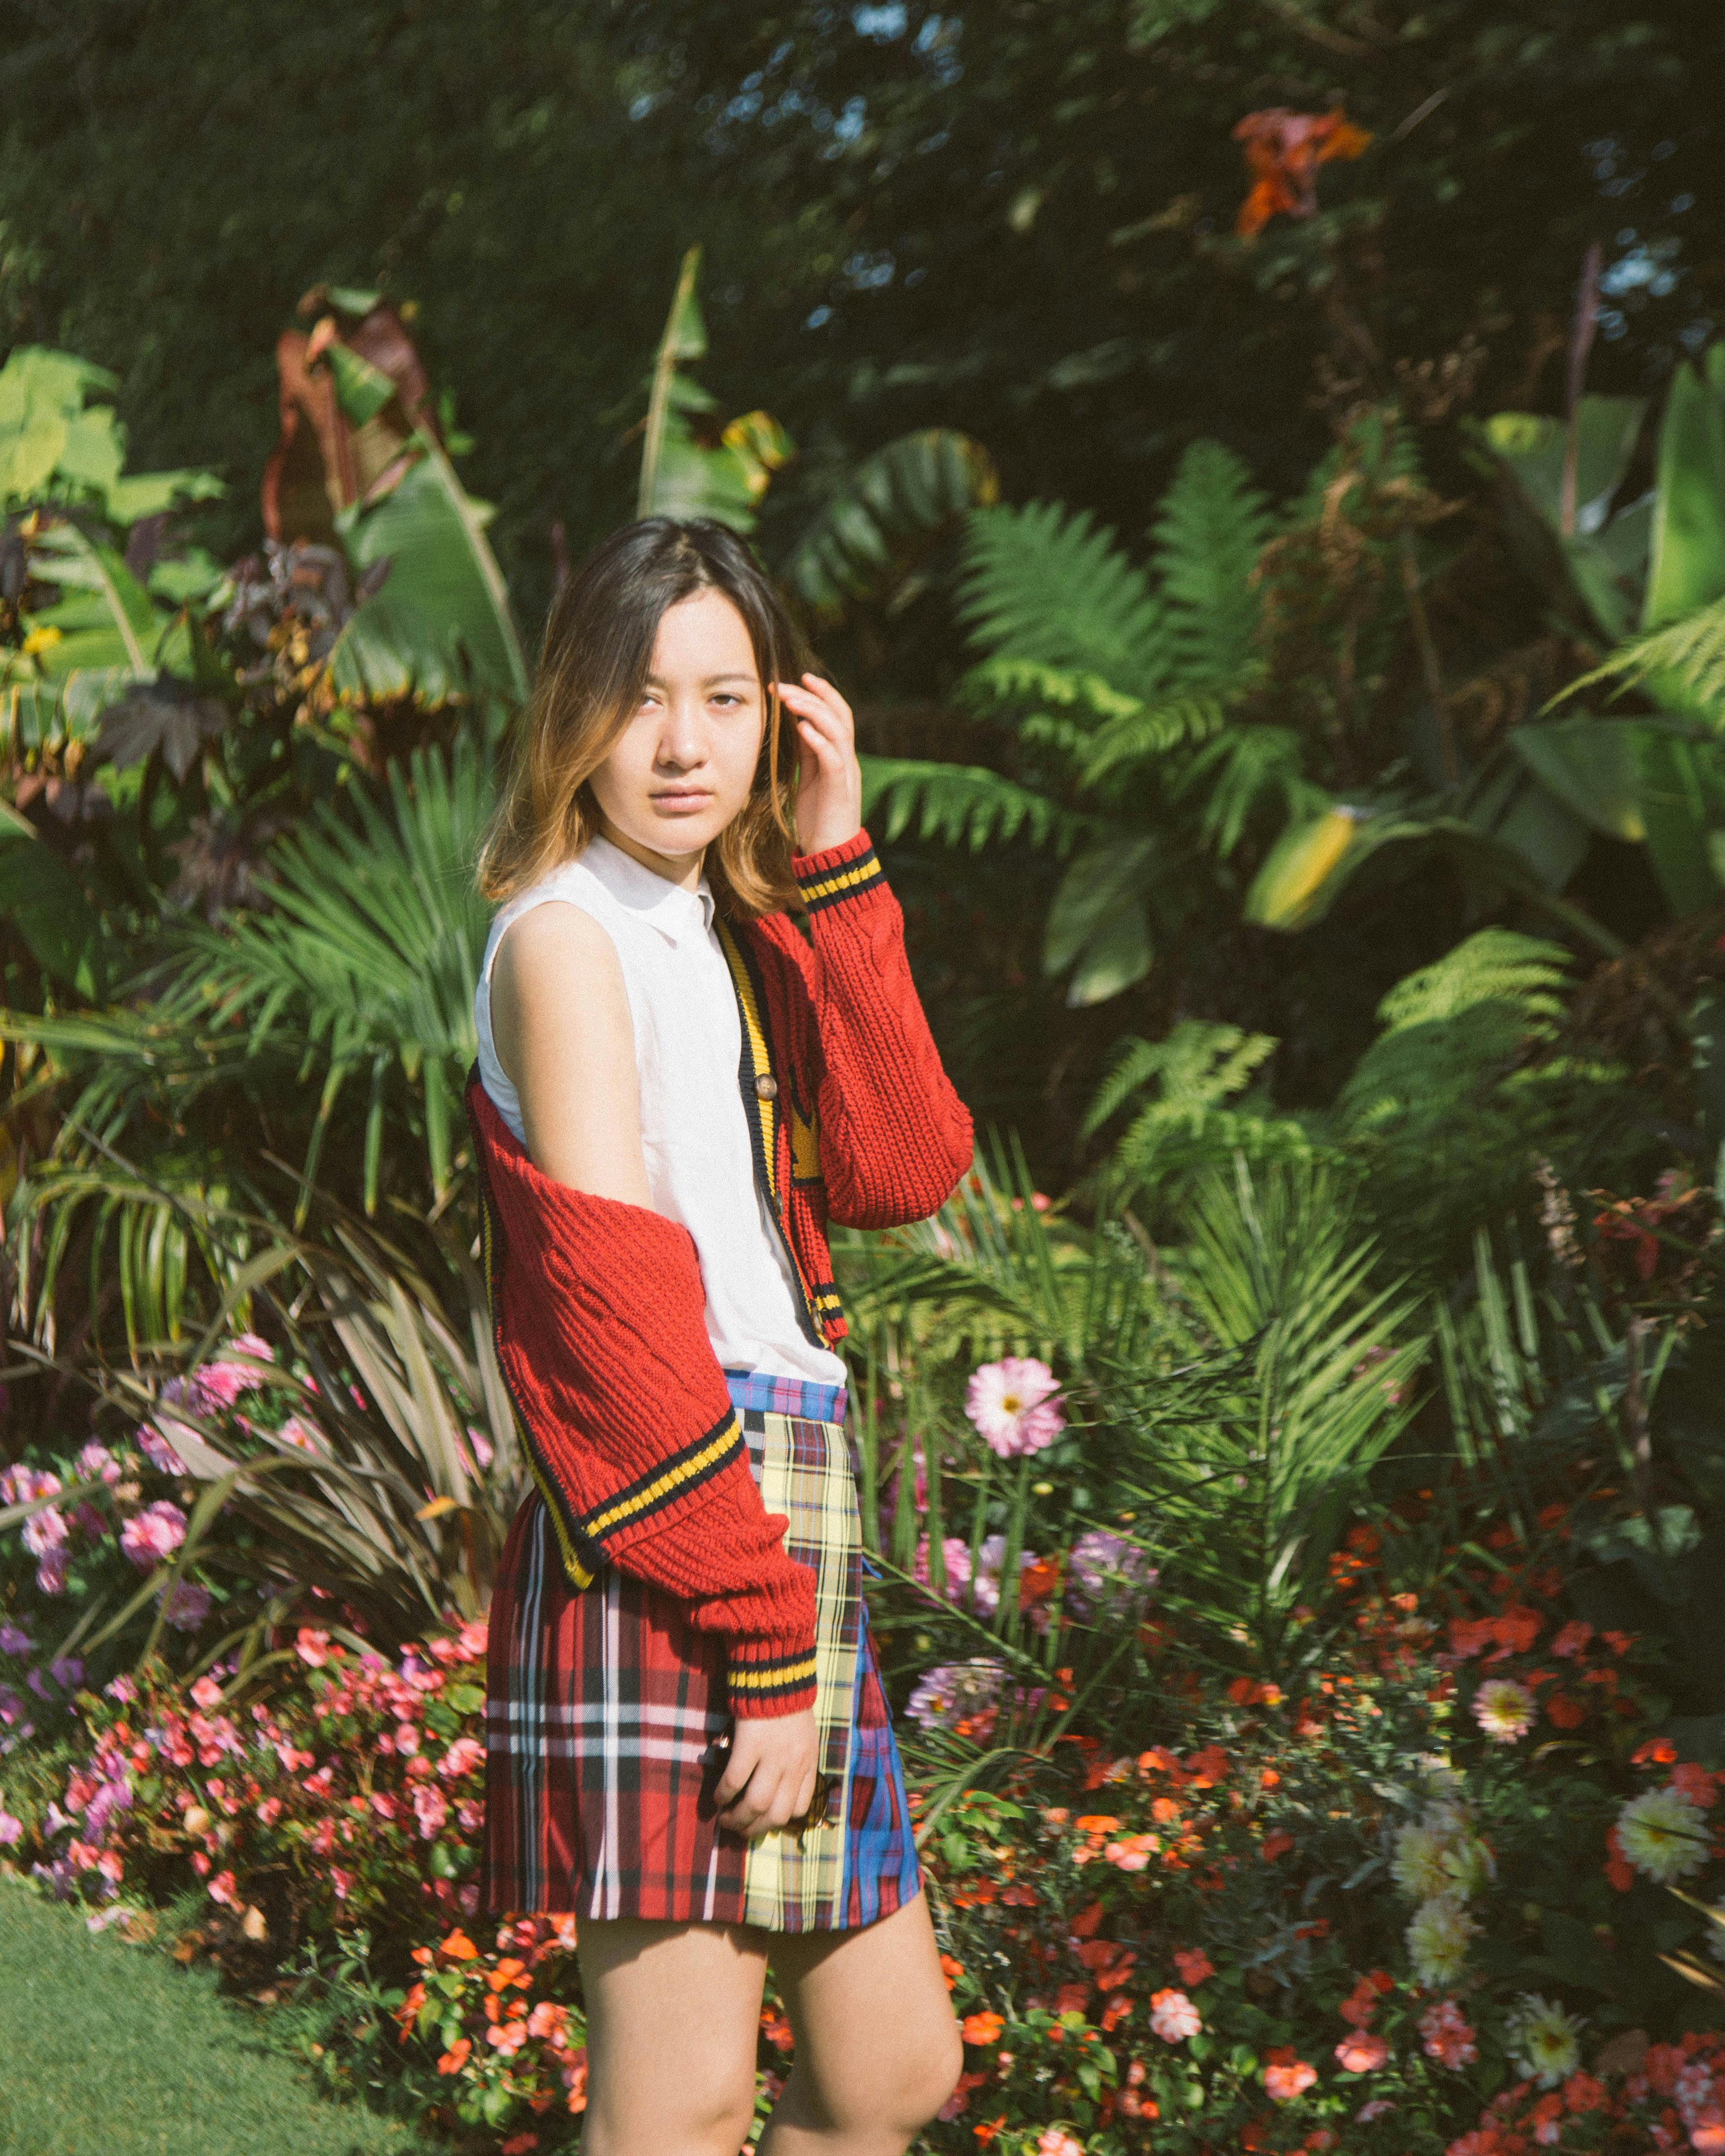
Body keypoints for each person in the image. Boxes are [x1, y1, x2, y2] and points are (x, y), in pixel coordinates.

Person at [464, 515, 975, 2154]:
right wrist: (762, 1618)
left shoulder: (730, 932)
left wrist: (834, 861)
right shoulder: (566, 936)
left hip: (784, 1503)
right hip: (678, 1512)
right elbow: (610, 1316)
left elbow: (903, 1164)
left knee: (893, 2073)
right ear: (574, 715)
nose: (684, 742)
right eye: (641, 696)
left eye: (727, 697)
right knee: (678, 2106)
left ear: (781, 716)